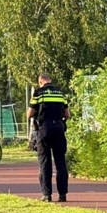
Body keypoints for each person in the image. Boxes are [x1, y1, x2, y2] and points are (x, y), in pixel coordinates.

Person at [28, 74, 71, 202]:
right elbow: (67, 114)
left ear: (41, 82)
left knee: (44, 162)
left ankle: (47, 195)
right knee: (60, 162)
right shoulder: (60, 93)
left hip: (44, 128)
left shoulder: (38, 93)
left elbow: (30, 113)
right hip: (58, 127)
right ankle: (62, 195)